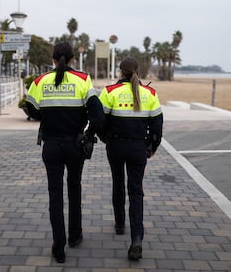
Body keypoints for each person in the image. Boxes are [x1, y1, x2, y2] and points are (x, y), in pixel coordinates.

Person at [25, 42, 104, 263]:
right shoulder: (82, 80)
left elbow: (30, 108)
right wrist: (88, 134)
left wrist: (48, 118)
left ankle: (58, 246)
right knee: (74, 188)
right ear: (72, 60)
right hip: (75, 145)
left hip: (51, 145)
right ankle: (75, 235)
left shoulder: (40, 81)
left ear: (52, 59)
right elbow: (98, 115)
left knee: (55, 194)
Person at [98, 57, 163, 260]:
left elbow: (100, 121)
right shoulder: (150, 93)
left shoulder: (109, 92)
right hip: (138, 147)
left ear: (120, 72)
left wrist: (105, 139)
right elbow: (157, 125)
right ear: (137, 71)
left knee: (118, 181)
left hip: (115, 146)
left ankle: (119, 224)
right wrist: (151, 147)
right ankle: (136, 239)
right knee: (136, 191)